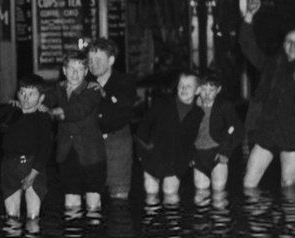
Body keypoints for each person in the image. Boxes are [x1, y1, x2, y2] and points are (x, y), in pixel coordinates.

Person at [0, 74, 52, 220]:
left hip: (33, 165)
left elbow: (45, 149)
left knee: (33, 217)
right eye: (22, 93)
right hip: (10, 165)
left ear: (41, 98)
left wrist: (33, 174)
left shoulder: (43, 118)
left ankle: (33, 233)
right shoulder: (11, 110)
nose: (26, 98)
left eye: (31, 94)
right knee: (11, 217)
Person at [239, 0, 295, 188]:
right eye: (288, 41)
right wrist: (249, 15)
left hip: (292, 134)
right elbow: (248, 46)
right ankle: (258, 208)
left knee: (288, 183)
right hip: (267, 130)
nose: (292, 46)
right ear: (283, 44)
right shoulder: (271, 65)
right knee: (249, 182)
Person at [44, 51, 106, 212]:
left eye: (80, 69)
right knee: (71, 203)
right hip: (66, 154)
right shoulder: (58, 88)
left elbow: (79, 110)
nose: (75, 73)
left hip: (92, 154)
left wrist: (53, 112)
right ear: (64, 70)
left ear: (86, 72)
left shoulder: (93, 90)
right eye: (71, 69)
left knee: (93, 204)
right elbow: (42, 101)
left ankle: (94, 228)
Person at [135, 70, 203, 202]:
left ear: (197, 90)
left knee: (171, 197)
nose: (183, 89)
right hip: (152, 159)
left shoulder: (198, 114)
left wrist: (189, 159)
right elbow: (142, 128)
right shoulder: (161, 104)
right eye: (181, 85)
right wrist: (141, 154)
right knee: (151, 198)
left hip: (176, 164)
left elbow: (196, 139)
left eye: (188, 86)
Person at [87, 38, 137, 200]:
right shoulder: (83, 82)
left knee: (119, 196)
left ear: (111, 60)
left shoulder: (125, 82)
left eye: (98, 60)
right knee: (91, 197)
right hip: (90, 145)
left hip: (117, 144)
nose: (93, 64)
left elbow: (125, 109)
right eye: (90, 60)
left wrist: (104, 94)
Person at [192, 69, 244, 193]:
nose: (207, 94)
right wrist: (188, 154)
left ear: (218, 90)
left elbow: (236, 128)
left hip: (217, 154)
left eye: (211, 90)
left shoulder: (224, 106)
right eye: (203, 89)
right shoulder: (192, 107)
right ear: (198, 89)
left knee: (219, 196)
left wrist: (225, 151)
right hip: (198, 156)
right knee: (200, 196)